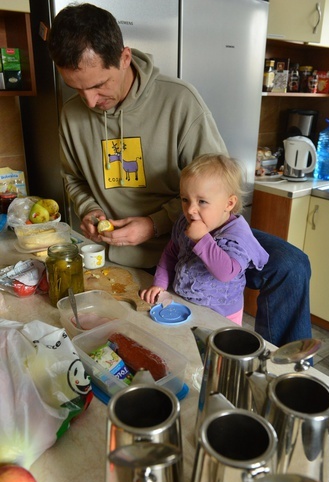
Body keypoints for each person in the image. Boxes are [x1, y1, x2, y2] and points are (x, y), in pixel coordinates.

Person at [47, 3, 312, 346]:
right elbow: (73, 179)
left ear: (125, 58)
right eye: (76, 88)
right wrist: (89, 210)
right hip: (124, 251)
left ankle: (283, 370)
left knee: (290, 264)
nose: (90, 100)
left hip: (195, 234)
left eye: (99, 85)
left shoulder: (180, 101)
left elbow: (217, 186)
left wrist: (156, 223)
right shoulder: (71, 116)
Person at [140, 154, 269, 325]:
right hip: (184, 302)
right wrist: (160, 283)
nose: (191, 209)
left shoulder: (236, 237)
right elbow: (170, 253)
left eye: (202, 201)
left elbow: (226, 273)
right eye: (185, 199)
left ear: (229, 204)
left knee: (213, 351)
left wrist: (201, 239)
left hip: (221, 316)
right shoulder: (185, 222)